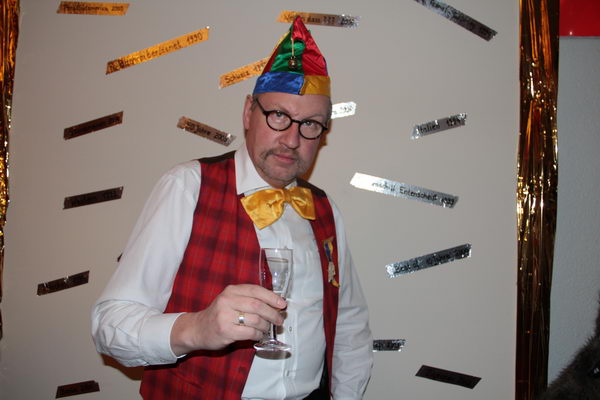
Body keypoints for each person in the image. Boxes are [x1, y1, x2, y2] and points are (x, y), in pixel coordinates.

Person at [92, 17, 373, 400]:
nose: (292, 139)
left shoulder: (325, 211)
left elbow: (349, 326)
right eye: (279, 116)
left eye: (310, 124)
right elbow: (109, 325)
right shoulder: (187, 186)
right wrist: (197, 328)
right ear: (248, 113)